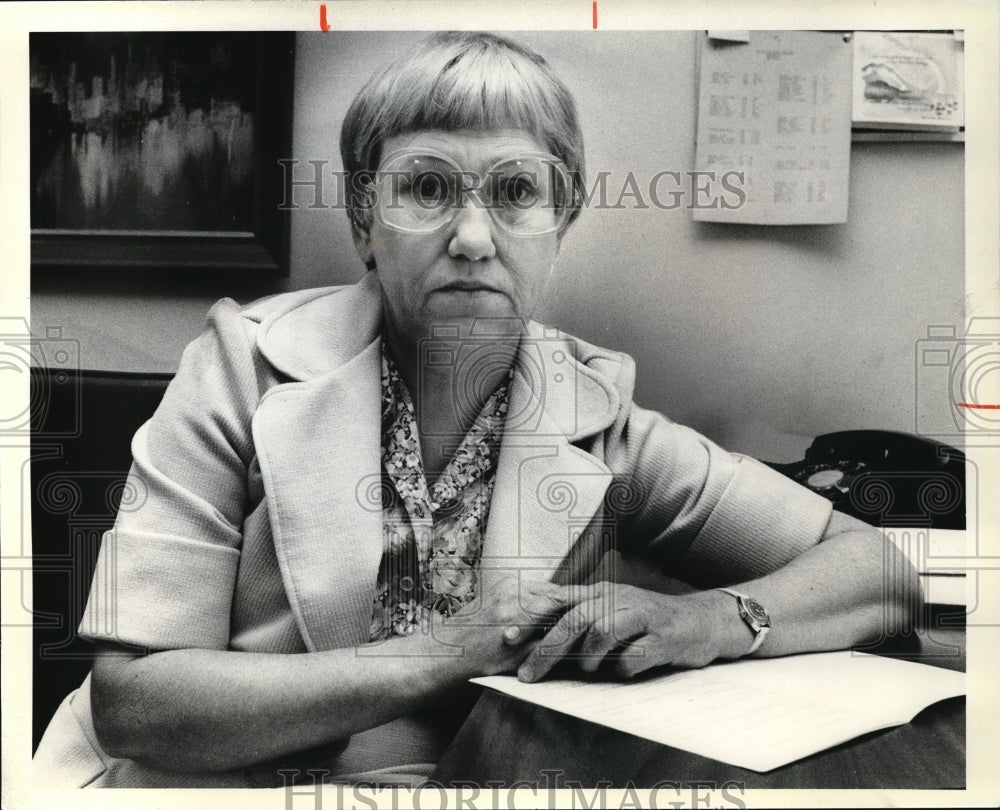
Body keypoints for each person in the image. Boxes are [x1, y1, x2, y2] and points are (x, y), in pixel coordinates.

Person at [33, 31, 920, 789]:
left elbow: (875, 570)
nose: (471, 237)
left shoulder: (595, 411)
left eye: (515, 192)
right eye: (425, 188)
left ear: (561, 219)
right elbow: (136, 703)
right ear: (361, 218)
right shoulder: (237, 366)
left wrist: (711, 620)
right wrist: (451, 648)